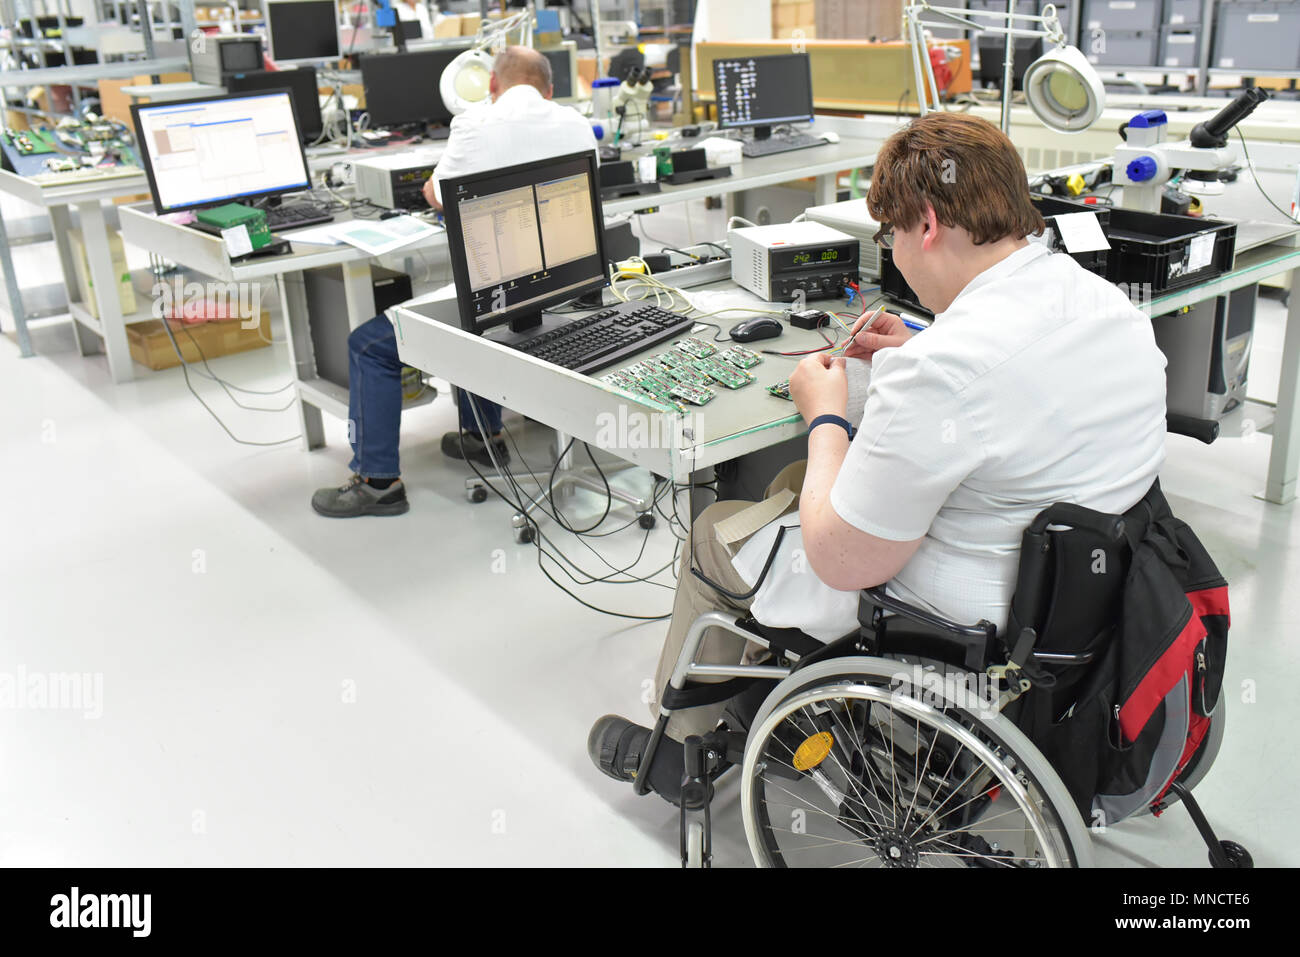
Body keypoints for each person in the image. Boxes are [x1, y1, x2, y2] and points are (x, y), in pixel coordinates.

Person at [588, 112, 1169, 804]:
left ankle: (679, 749)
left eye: (890, 234)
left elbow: (841, 559)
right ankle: (767, 681)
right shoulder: (1107, 305)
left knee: (714, 535)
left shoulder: (942, 368)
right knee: (791, 483)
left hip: (966, 618)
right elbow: (1022, 389)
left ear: (925, 224)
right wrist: (916, 344)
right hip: (1085, 599)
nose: (892, 252)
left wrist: (825, 411)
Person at [312, 46, 597, 518]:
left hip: (496, 298)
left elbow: (437, 194)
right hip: (563, 289)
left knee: (374, 344)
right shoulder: (575, 122)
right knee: (484, 314)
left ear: (490, 86)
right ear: (549, 90)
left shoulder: (475, 123)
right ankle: (482, 438)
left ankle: (377, 481)